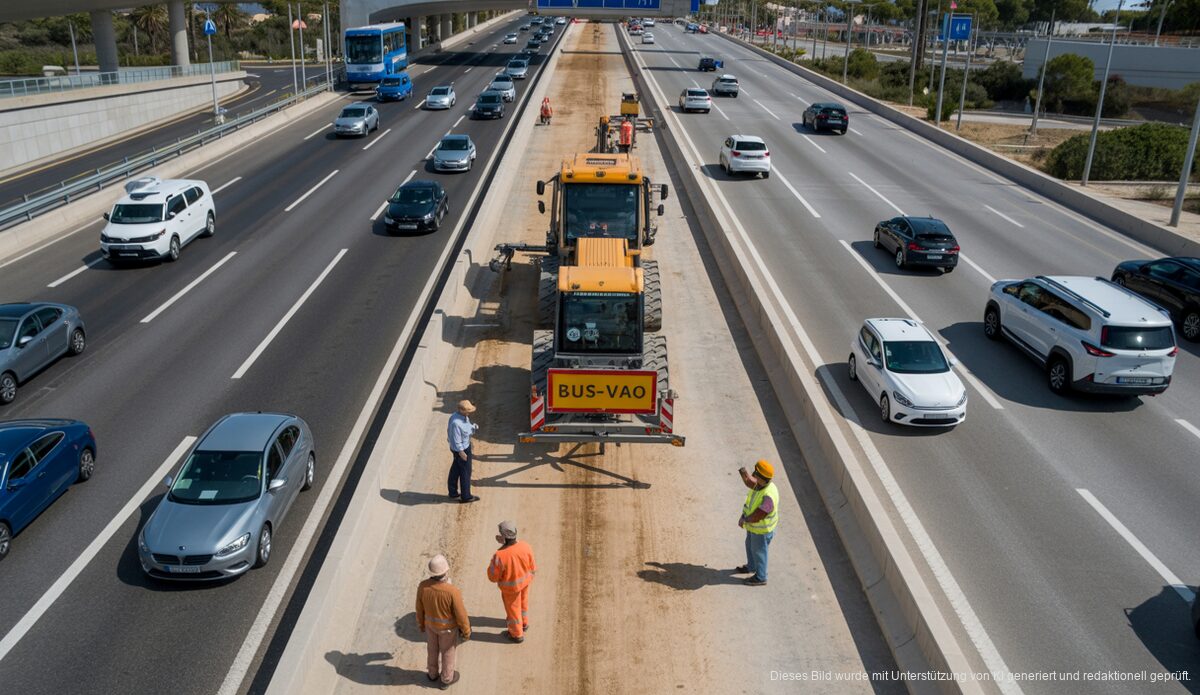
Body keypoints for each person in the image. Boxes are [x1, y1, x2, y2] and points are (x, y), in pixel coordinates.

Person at [416, 554, 471, 688]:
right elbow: (461, 614)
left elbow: (419, 608)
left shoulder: (423, 586)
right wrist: (466, 631)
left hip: (430, 627)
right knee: (448, 652)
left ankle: (432, 674)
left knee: (432, 650)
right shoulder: (452, 591)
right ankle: (446, 679)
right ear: (445, 571)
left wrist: (421, 625)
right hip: (447, 630)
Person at [486, 520, 537, 642]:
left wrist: (501, 548)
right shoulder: (526, 546)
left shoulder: (499, 555)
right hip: (525, 582)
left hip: (511, 589)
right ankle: (524, 623)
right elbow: (533, 567)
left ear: (503, 537)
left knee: (513, 610)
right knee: (523, 603)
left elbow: (492, 577)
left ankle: (516, 634)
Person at [734, 460, 779, 586]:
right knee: (750, 545)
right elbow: (750, 482)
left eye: (755, 473)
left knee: (759, 552)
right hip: (754, 528)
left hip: (761, 530)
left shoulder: (768, 496)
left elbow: (758, 516)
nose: (753, 475)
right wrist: (743, 471)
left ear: (762, 478)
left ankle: (760, 577)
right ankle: (751, 566)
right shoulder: (761, 485)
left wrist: (744, 519)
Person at [447, 400, 480, 503]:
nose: (468, 413)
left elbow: (466, 428)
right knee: (465, 472)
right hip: (462, 449)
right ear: (461, 410)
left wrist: (473, 427)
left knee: (456, 469)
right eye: (467, 411)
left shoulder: (460, 416)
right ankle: (466, 496)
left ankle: (453, 492)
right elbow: (456, 439)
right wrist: (461, 452)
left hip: (460, 448)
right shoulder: (456, 423)